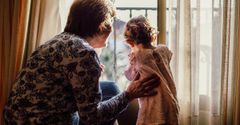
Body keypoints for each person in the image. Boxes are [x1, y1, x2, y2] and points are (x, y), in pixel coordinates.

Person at [3, 1, 160, 125]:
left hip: (16, 118)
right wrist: (129, 94)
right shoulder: (84, 53)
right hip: (47, 121)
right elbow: (93, 118)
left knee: (110, 88)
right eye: (111, 22)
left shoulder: (58, 41)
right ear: (101, 25)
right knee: (116, 94)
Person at [123, 15, 179, 125]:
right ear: (153, 37)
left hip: (152, 106)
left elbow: (130, 75)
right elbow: (167, 57)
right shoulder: (163, 50)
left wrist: (132, 56)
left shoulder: (137, 56)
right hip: (170, 102)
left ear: (130, 43)